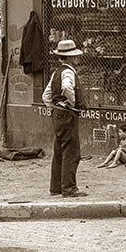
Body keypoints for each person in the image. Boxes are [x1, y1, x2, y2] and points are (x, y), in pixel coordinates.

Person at [43, 39, 87, 197]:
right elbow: (67, 87)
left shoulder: (56, 72)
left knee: (59, 151)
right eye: (74, 55)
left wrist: (54, 108)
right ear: (69, 57)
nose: (77, 57)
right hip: (68, 114)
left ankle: (56, 188)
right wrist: (71, 103)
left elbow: (46, 96)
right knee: (71, 152)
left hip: (57, 114)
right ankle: (69, 188)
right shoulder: (68, 72)